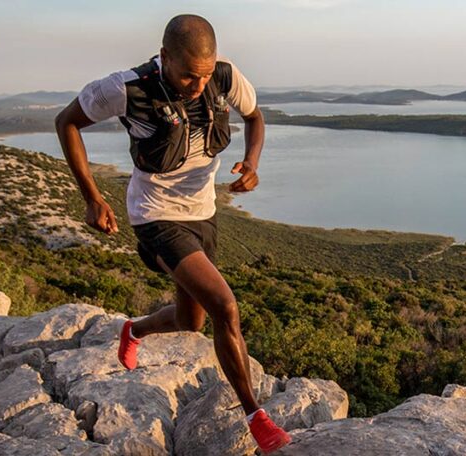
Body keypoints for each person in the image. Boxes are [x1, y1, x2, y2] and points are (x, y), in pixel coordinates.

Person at [54, 13, 291, 454]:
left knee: (192, 321)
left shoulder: (223, 76)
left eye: (203, 76)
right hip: (155, 214)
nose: (197, 86)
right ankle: (257, 417)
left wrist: (252, 162)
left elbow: (255, 117)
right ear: (164, 57)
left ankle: (134, 330)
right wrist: (91, 197)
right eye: (187, 76)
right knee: (224, 305)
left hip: (203, 213)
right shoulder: (126, 88)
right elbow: (66, 122)